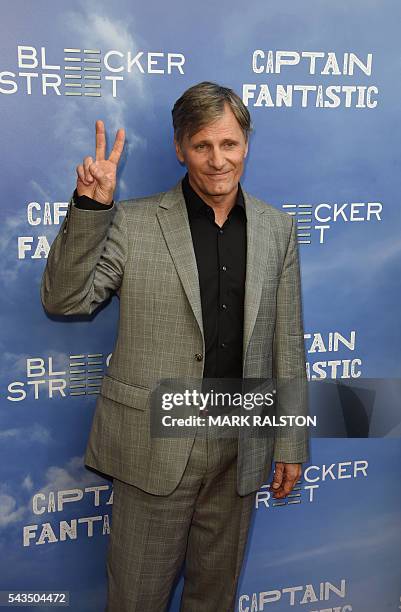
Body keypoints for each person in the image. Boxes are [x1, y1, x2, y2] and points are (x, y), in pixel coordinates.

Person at [41, 81, 310, 612]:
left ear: (246, 145)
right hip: (154, 446)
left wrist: (291, 442)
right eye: (202, 145)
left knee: (215, 599)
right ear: (180, 147)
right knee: (136, 599)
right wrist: (91, 210)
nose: (217, 160)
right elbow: (65, 299)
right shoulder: (134, 222)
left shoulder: (278, 229)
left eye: (229, 144)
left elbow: (287, 343)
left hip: (240, 444)